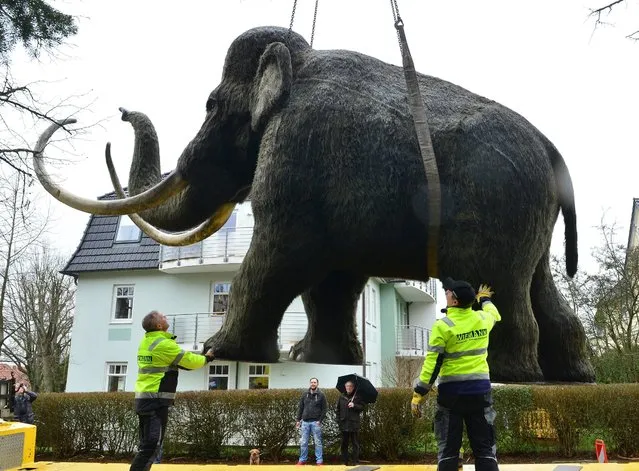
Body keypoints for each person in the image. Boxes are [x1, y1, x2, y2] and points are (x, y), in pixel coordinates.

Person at [411, 278, 501, 471]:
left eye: (449, 292)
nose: (446, 293)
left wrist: (419, 393)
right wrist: (484, 299)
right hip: (480, 393)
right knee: (485, 449)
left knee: (448, 450)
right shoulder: (482, 319)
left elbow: (433, 364)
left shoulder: (443, 326)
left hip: (451, 397)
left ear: (454, 301)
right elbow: (494, 314)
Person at [130, 310, 214, 471]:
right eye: (163, 317)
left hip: (147, 400)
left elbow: (179, 362)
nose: (166, 317)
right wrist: (208, 358)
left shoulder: (148, 342)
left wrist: (197, 360)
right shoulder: (163, 344)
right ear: (159, 325)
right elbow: (188, 361)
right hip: (155, 401)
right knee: (151, 445)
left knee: (149, 445)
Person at [295, 377, 327, 466]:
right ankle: (302, 460)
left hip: (315, 422)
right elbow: (301, 407)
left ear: (317, 384)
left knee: (318, 442)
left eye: (315, 382)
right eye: (312, 382)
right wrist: (298, 420)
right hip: (305, 422)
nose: (313, 384)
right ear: (310, 383)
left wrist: (320, 420)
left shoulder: (321, 395)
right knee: (304, 442)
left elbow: (324, 409)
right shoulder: (305, 394)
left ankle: (319, 461)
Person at [335, 380, 365, 465]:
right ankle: (344, 461)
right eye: (347, 386)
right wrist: (338, 421)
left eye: (351, 386)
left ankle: (355, 461)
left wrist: (354, 405)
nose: (349, 387)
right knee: (344, 444)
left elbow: (362, 407)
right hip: (344, 424)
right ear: (345, 387)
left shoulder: (357, 397)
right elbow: (338, 410)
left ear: (353, 387)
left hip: (354, 424)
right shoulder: (342, 397)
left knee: (355, 443)